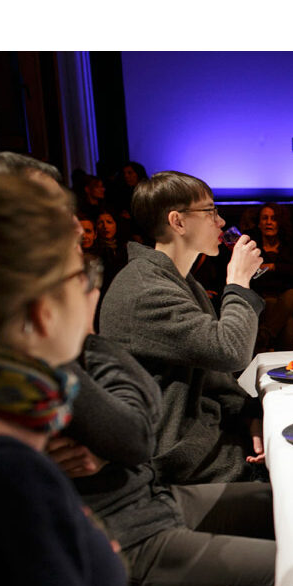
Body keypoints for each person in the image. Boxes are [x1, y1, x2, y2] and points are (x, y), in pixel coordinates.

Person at [0, 171, 265, 586]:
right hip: (148, 515)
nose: (95, 285)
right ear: (44, 312)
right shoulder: (15, 471)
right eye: (79, 276)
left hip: (148, 509)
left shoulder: (33, 420)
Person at [50, 331, 278, 586]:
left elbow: (137, 428)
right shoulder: (45, 361)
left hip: (152, 497)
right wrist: (87, 337)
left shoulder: (64, 352)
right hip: (125, 534)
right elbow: (140, 438)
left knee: (291, 501)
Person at [97, 171, 268, 485]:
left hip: (209, 439)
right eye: (210, 211)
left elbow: (215, 378)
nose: (220, 221)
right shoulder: (144, 290)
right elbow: (230, 352)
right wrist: (238, 284)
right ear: (177, 221)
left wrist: (250, 415)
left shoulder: (178, 281)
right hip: (180, 462)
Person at [249, 203, 293, 352]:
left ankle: (263, 336)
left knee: (291, 295)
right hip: (267, 303)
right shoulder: (253, 249)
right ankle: (285, 365)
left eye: (273, 219)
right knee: (286, 319)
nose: (269, 222)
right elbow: (252, 279)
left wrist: (273, 267)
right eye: (265, 218)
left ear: (279, 223)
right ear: (259, 223)